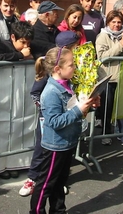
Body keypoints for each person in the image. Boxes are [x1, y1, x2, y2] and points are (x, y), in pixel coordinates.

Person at [29, 46, 99, 214]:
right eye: (71, 65)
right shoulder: (51, 92)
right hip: (55, 146)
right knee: (46, 183)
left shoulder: (69, 85)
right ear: (57, 69)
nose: (75, 67)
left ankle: (58, 210)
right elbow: (54, 121)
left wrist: (90, 105)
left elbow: (74, 111)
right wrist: (78, 110)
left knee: (60, 182)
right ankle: (36, 211)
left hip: (67, 142)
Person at [19, 31, 80, 197]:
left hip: (65, 125)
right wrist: (46, 109)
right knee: (42, 151)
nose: (78, 51)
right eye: (75, 48)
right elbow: (36, 94)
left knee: (60, 162)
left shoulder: (69, 74)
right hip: (48, 123)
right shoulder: (50, 76)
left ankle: (57, 185)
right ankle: (33, 179)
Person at [95, 10, 123, 146]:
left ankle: (121, 133)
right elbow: (103, 57)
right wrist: (119, 45)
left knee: (121, 108)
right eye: (113, 22)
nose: (116, 25)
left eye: (119, 22)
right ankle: (105, 133)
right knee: (106, 109)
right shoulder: (102, 36)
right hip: (107, 77)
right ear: (108, 22)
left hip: (121, 77)